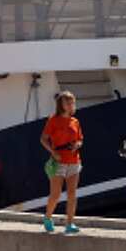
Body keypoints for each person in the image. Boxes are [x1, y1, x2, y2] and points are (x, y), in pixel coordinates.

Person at [41, 90, 83, 234]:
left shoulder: (75, 122)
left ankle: (69, 224)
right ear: (61, 104)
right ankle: (47, 218)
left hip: (74, 161)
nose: (71, 104)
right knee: (56, 194)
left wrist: (77, 145)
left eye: (72, 102)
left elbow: (80, 139)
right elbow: (43, 139)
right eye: (68, 102)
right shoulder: (53, 120)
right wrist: (53, 152)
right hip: (58, 161)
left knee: (72, 194)